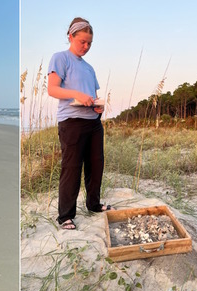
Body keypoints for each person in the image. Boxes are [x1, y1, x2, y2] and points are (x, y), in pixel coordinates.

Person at [47, 17, 110, 230]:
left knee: (96, 164)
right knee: (71, 168)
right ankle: (65, 215)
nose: (86, 46)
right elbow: (53, 89)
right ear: (70, 37)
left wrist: (98, 107)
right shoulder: (61, 58)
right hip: (71, 122)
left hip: (93, 123)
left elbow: (92, 95)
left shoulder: (89, 68)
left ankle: (93, 204)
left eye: (89, 43)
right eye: (82, 41)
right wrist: (76, 94)